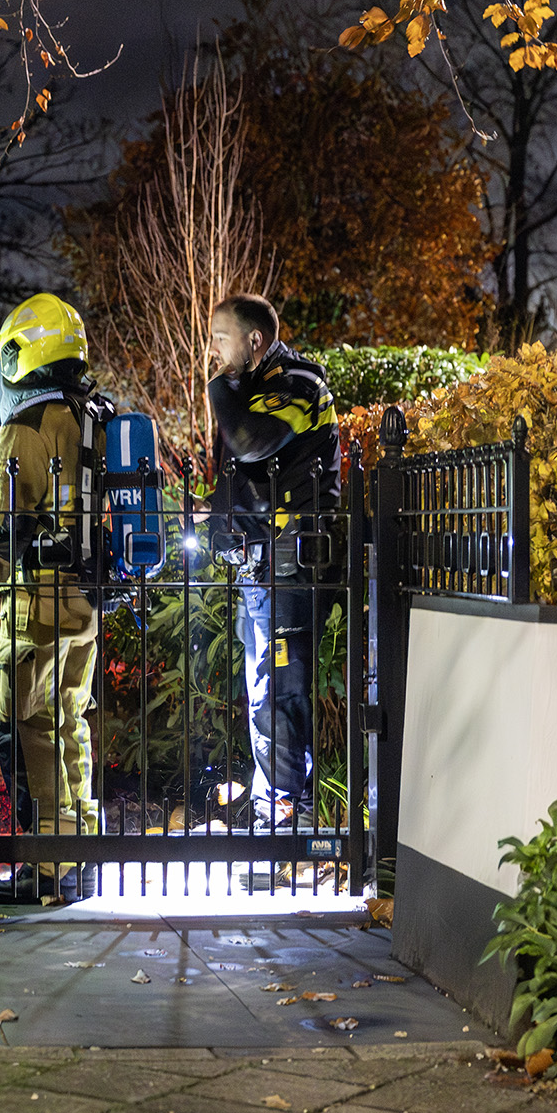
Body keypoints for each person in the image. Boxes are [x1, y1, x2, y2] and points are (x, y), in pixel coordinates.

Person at [0, 293, 103, 903]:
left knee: (29, 728)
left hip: (37, 604)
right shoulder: (92, 415)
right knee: (71, 724)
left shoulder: (26, 430)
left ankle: (48, 867)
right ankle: (82, 848)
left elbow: (1, 534)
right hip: (88, 600)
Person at [206, 293, 340, 834]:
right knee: (263, 689)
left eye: (220, 336)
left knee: (281, 691)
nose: (211, 348)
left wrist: (218, 388)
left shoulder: (297, 384)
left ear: (254, 340)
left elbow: (250, 442)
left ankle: (285, 818)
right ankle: (274, 803)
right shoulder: (258, 388)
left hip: (294, 565)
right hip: (261, 567)